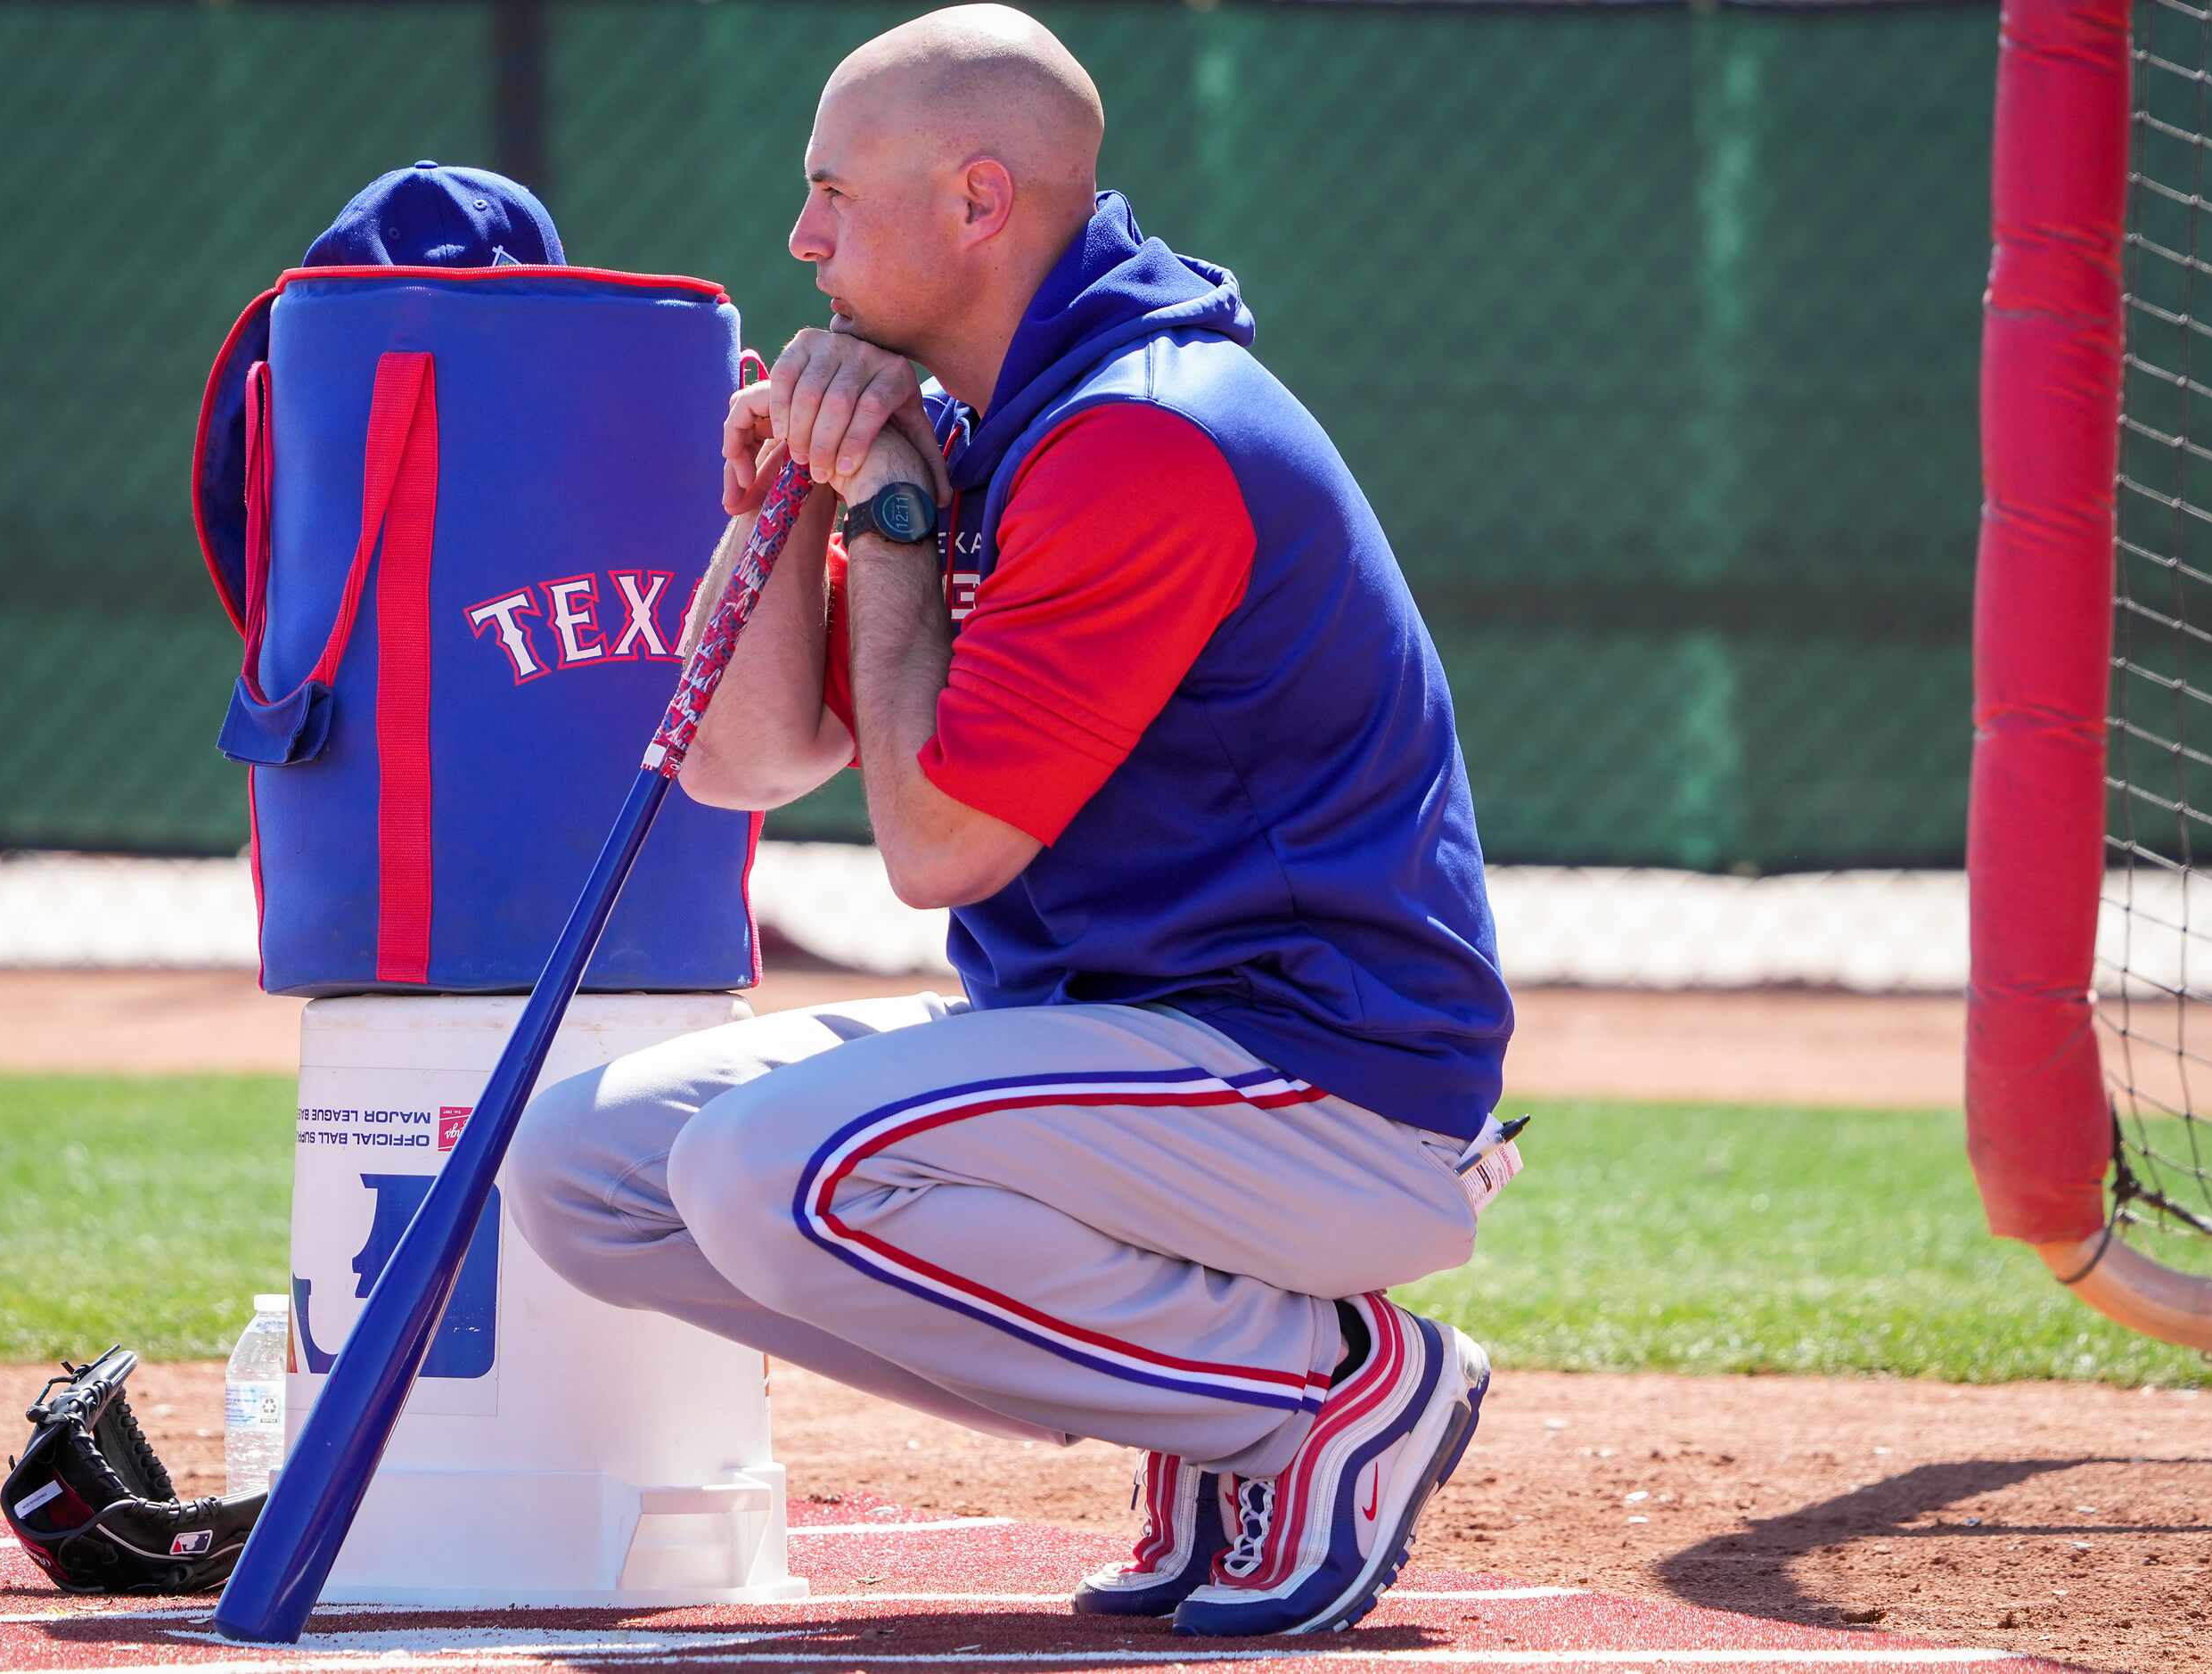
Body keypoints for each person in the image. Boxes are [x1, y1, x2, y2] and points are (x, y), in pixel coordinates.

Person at [505, 4, 1517, 1637]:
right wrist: (793, 491)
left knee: (779, 1164)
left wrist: (894, 514)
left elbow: (939, 854)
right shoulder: (994, 414)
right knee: (585, 1170)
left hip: (1327, 1086)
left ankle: (1321, 1387)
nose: (800, 233)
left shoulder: (1142, 431)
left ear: (979, 205)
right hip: (1128, 1061)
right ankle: (1215, 1410)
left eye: (834, 191)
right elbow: (743, 760)